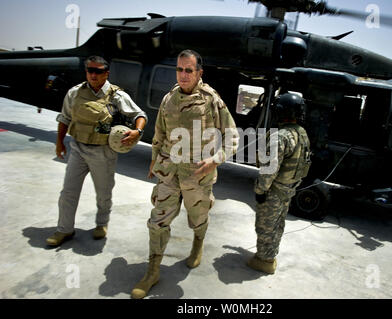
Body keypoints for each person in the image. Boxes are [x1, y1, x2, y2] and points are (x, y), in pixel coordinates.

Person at [131, 49, 239, 299]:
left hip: (198, 177)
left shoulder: (211, 99)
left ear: (199, 72)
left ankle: (197, 245)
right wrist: (153, 160)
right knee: (157, 222)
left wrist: (216, 160)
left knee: (198, 218)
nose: (183, 74)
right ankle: (152, 271)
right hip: (168, 173)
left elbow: (232, 136)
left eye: (188, 70)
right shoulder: (169, 98)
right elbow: (158, 133)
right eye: (179, 69)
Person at [46, 55, 147, 246]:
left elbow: (139, 115)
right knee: (68, 192)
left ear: (106, 73)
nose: (93, 75)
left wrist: (137, 131)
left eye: (98, 71)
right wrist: (59, 142)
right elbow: (65, 118)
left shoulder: (117, 96)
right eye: (89, 70)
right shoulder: (75, 93)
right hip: (78, 148)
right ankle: (64, 230)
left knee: (103, 192)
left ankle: (102, 224)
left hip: (103, 151)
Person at [247, 93, 311, 274]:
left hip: (274, 191)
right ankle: (270, 255)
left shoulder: (280, 137)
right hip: (289, 189)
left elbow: (269, 169)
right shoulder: (301, 133)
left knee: (265, 226)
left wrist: (260, 190)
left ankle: (264, 261)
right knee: (278, 225)